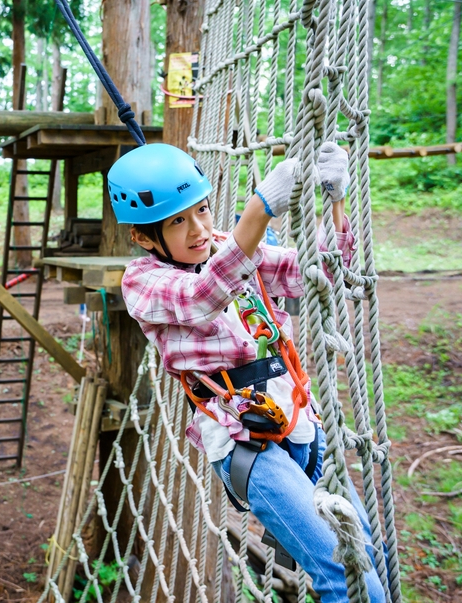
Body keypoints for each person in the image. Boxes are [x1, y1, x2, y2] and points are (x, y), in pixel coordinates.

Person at [115, 142, 385, 603]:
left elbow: (312, 273)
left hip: (299, 420)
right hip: (243, 440)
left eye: (201, 210)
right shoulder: (142, 282)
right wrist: (259, 211)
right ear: (144, 237)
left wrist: (335, 203)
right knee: (345, 576)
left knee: (367, 556)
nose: (199, 229)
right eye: (177, 222)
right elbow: (203, 295)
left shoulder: (229, 245)